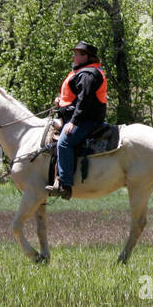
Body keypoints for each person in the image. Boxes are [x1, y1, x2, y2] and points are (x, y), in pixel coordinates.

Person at [46, 41, 108, 199]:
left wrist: (74, 122)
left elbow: (84, 101)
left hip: (87, 119)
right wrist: (61, 102)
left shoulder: (88, 74)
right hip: (79, 116)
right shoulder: (83, 71)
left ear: (86, 56)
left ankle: (64, 184)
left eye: (77, 54)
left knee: (64, 142)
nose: (74, 56)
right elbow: (75, 98)